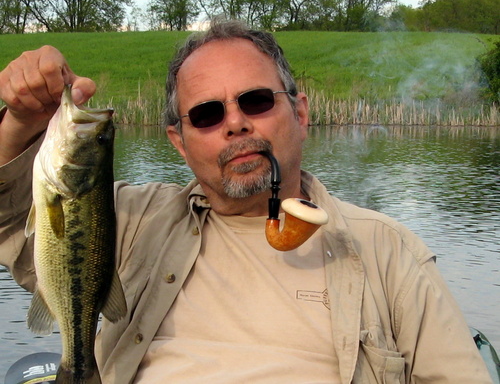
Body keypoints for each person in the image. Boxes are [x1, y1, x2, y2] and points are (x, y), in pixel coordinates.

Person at [0, 20, 493, 384]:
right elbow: (10, 218)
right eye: (208, 113)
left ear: (299, 113)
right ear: (179, 140)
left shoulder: (386, 250)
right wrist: (21, 124)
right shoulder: (126, 220)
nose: (235, 124)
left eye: (256, 101)